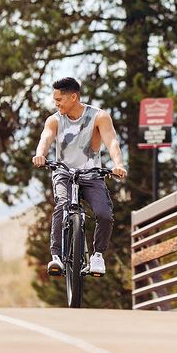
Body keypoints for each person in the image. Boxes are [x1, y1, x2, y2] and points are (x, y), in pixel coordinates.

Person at [32, 77, 127, 276]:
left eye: (59, 100)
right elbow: (46, 138)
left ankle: (97, 256)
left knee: (104, 214)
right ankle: (56, 256)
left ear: (73, 97)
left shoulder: (99, 117)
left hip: (92, 174)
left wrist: (118, 164)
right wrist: (41, 154)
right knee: (62, 205)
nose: (56, 104)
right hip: (64, 173)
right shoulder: (55, 119)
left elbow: (112, 143)